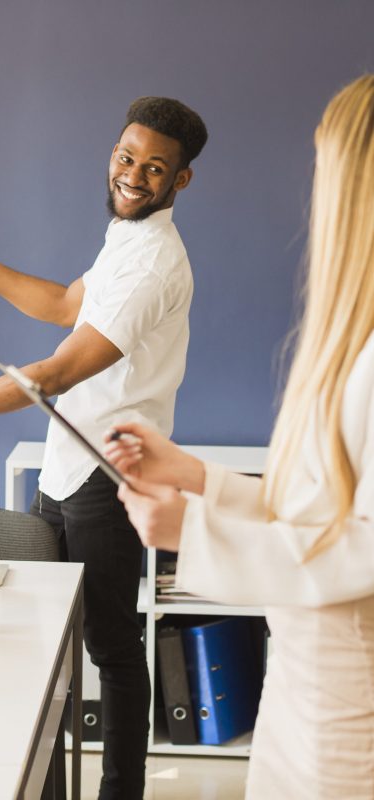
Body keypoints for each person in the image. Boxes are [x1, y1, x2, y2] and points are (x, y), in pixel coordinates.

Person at [0, 95, 208, 798]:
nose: (133, 175)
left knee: (112, 651)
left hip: (109, 473)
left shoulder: (154, 264)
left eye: (154, 168)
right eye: (126, 157)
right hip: (64, 467)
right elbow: (63, 304)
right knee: (45, 645)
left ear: (180, 181)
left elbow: (56, 372)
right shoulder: (126, 237)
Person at [104, 74, 374, 800]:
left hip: (350, 720)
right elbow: (326, 508)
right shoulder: (353, 338)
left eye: (328, 169)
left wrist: (196, 530)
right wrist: (195, 476)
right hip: (302, 693)